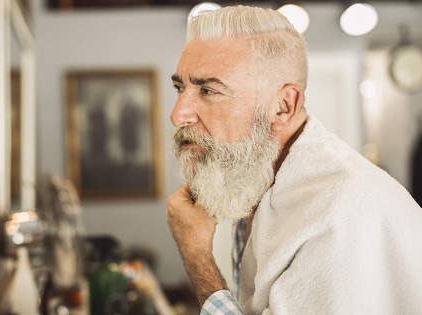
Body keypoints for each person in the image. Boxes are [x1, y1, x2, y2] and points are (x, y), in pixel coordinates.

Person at [166, 5, 422, 315]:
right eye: (180, 87)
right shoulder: (255, 181)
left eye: (208, 90)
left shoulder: (342, 214)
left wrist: (197, 256)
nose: (177, 114)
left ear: (283, 107)